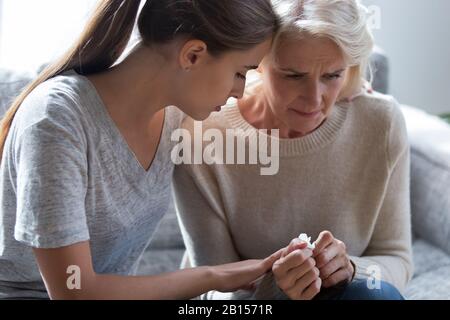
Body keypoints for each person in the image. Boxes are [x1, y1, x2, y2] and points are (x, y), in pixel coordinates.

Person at [0, 0, 286, 300]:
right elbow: (73, 290)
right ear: (192, 55)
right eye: (241, 73)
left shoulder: (176, 116)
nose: (240, 92)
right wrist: (213, 276)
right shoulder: (56, 119)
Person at [173, 0, 413, 300]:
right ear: (258, 62)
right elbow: (213, 291)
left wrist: (351, 269)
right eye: (293, 75)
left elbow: (397, 259)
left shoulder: (381, 122)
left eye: (332, 75)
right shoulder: (202, 134)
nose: (314, 100)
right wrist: (276, 288)